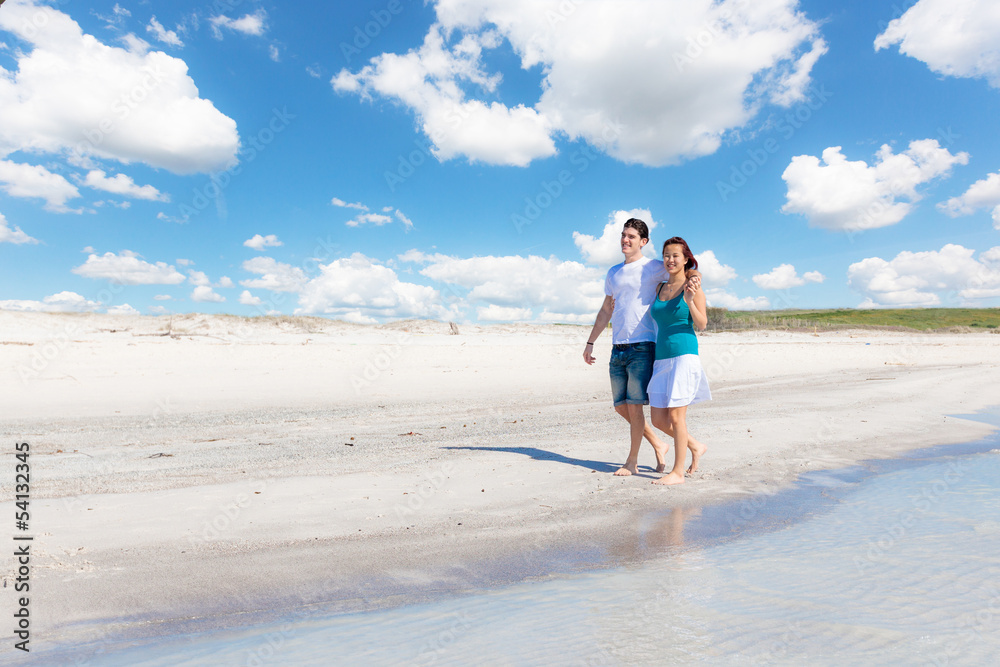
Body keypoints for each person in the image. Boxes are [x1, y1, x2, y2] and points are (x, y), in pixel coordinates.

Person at [583, 219, 705, 476]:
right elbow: (606, 309)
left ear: (643, 241)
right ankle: (666, 444)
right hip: (618, 346)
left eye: (631, 236)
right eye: (623, 235)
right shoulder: (613, 272)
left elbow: (682, 269)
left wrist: (696, 275)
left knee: (636, 406)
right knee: (621, 407)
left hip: (644, 345)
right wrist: (591, 342)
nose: (625, 240)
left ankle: (632, 461)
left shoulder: (654, 267)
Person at [648, 236, 711, 485]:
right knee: (657, 419)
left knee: (676, 417)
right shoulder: (659, 287)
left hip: (685, 355)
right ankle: (695, 446)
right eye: (666, 255)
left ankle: (677, 472)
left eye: (675, 255)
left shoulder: (693, 287)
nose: (670, 260)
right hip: (661, 357)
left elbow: (702, 324)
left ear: (686, 259)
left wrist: (688, 301)